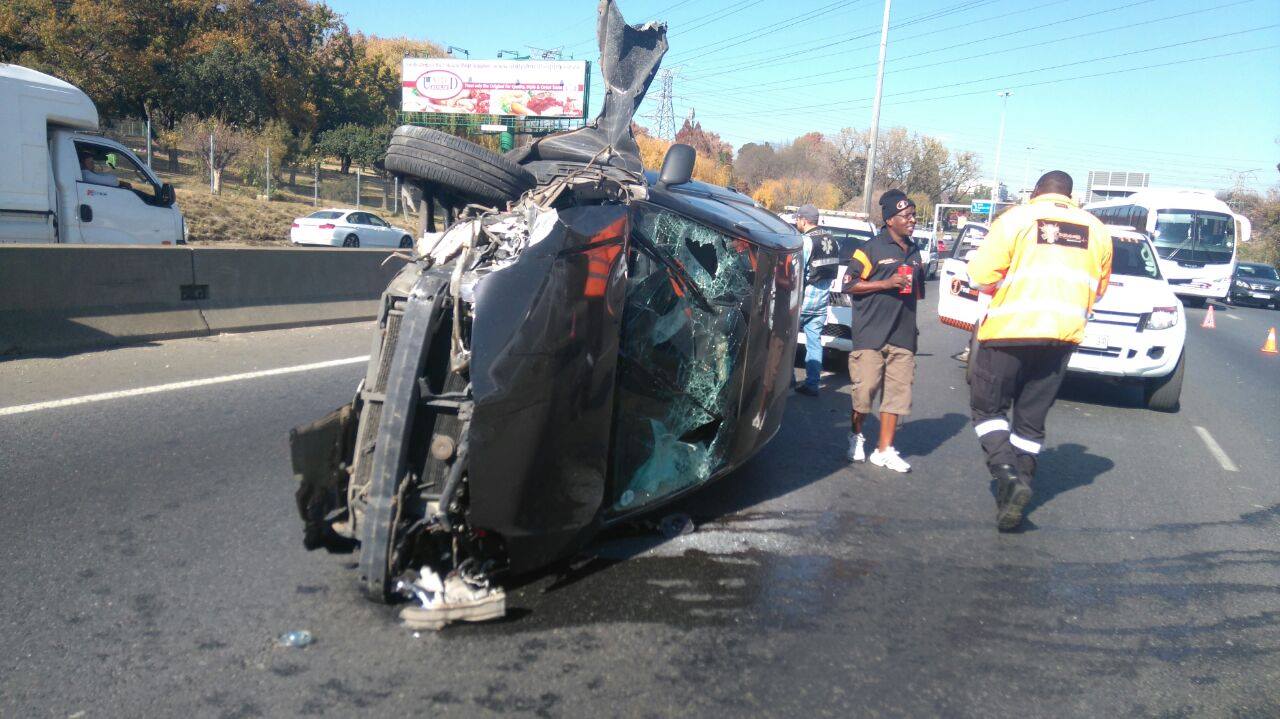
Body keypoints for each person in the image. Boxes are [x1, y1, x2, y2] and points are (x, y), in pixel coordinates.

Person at [965, 171, 1112, 531]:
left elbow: (981, 276)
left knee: (988, 409)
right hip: (1062, 338)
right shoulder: (1097, 231)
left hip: (1008, 333)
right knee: (1030, 423)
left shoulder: (1017, 219)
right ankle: (1016, 498)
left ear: (1036, 192)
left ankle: (1006, 474)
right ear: (1070, 196)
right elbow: (1101, 289)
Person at [841, 189, 924, 472]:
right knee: (864, 394)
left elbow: (918, 291)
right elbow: (849, 284)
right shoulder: (870, 248)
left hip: (903, 333)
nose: (912, 219)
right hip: (871, 333)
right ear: (890, 220)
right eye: (906, 215)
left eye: (913, 215)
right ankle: (856, 435)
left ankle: (884, 449)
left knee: (897, 396)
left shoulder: (915, 250)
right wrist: (886, 284)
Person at [794, 203, 840, 397]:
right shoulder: (833, 241)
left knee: (787, 343)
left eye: (797, 219)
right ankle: (812, 384)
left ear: (804, 220)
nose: (797, 223)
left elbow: (796, 273)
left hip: (803, 302)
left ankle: (787, 381)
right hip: (821, 302)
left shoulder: (806, 242)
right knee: (814, 343)